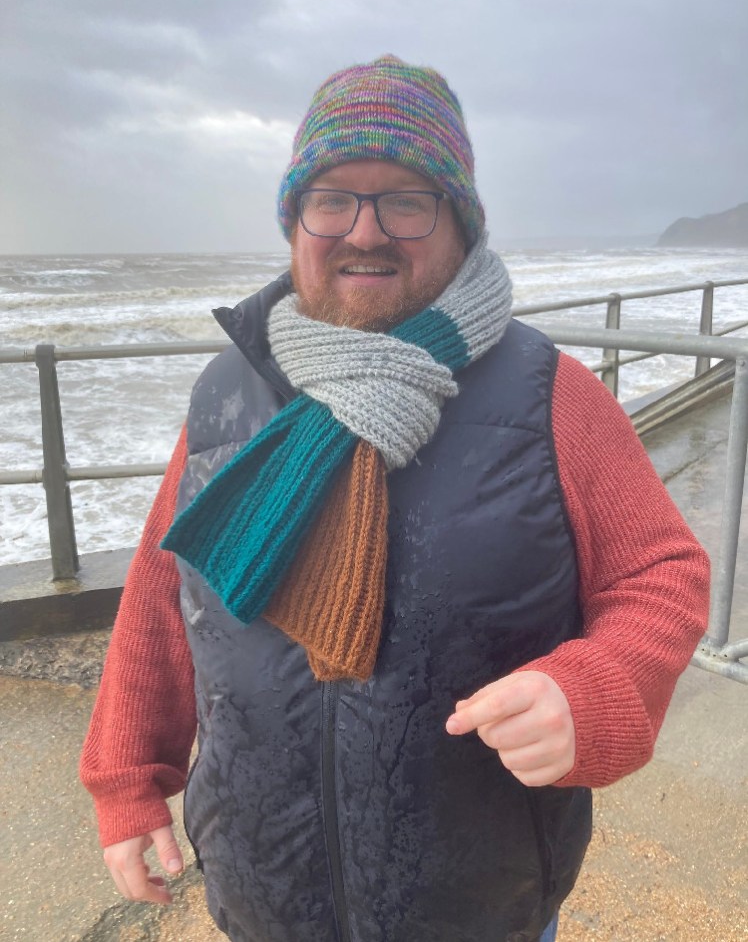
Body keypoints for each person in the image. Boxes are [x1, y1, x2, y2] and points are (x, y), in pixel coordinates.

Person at [80, 55, 709, 942]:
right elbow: (162, 586)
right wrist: (126, 776)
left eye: (406, 200)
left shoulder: (551, 394)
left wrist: (597, 686)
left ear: (459, 221)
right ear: (295, 219)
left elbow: (660, 572)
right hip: (265, 891)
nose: (363, 231)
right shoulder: (228, 392)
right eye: (331, 198)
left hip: (478, 905)